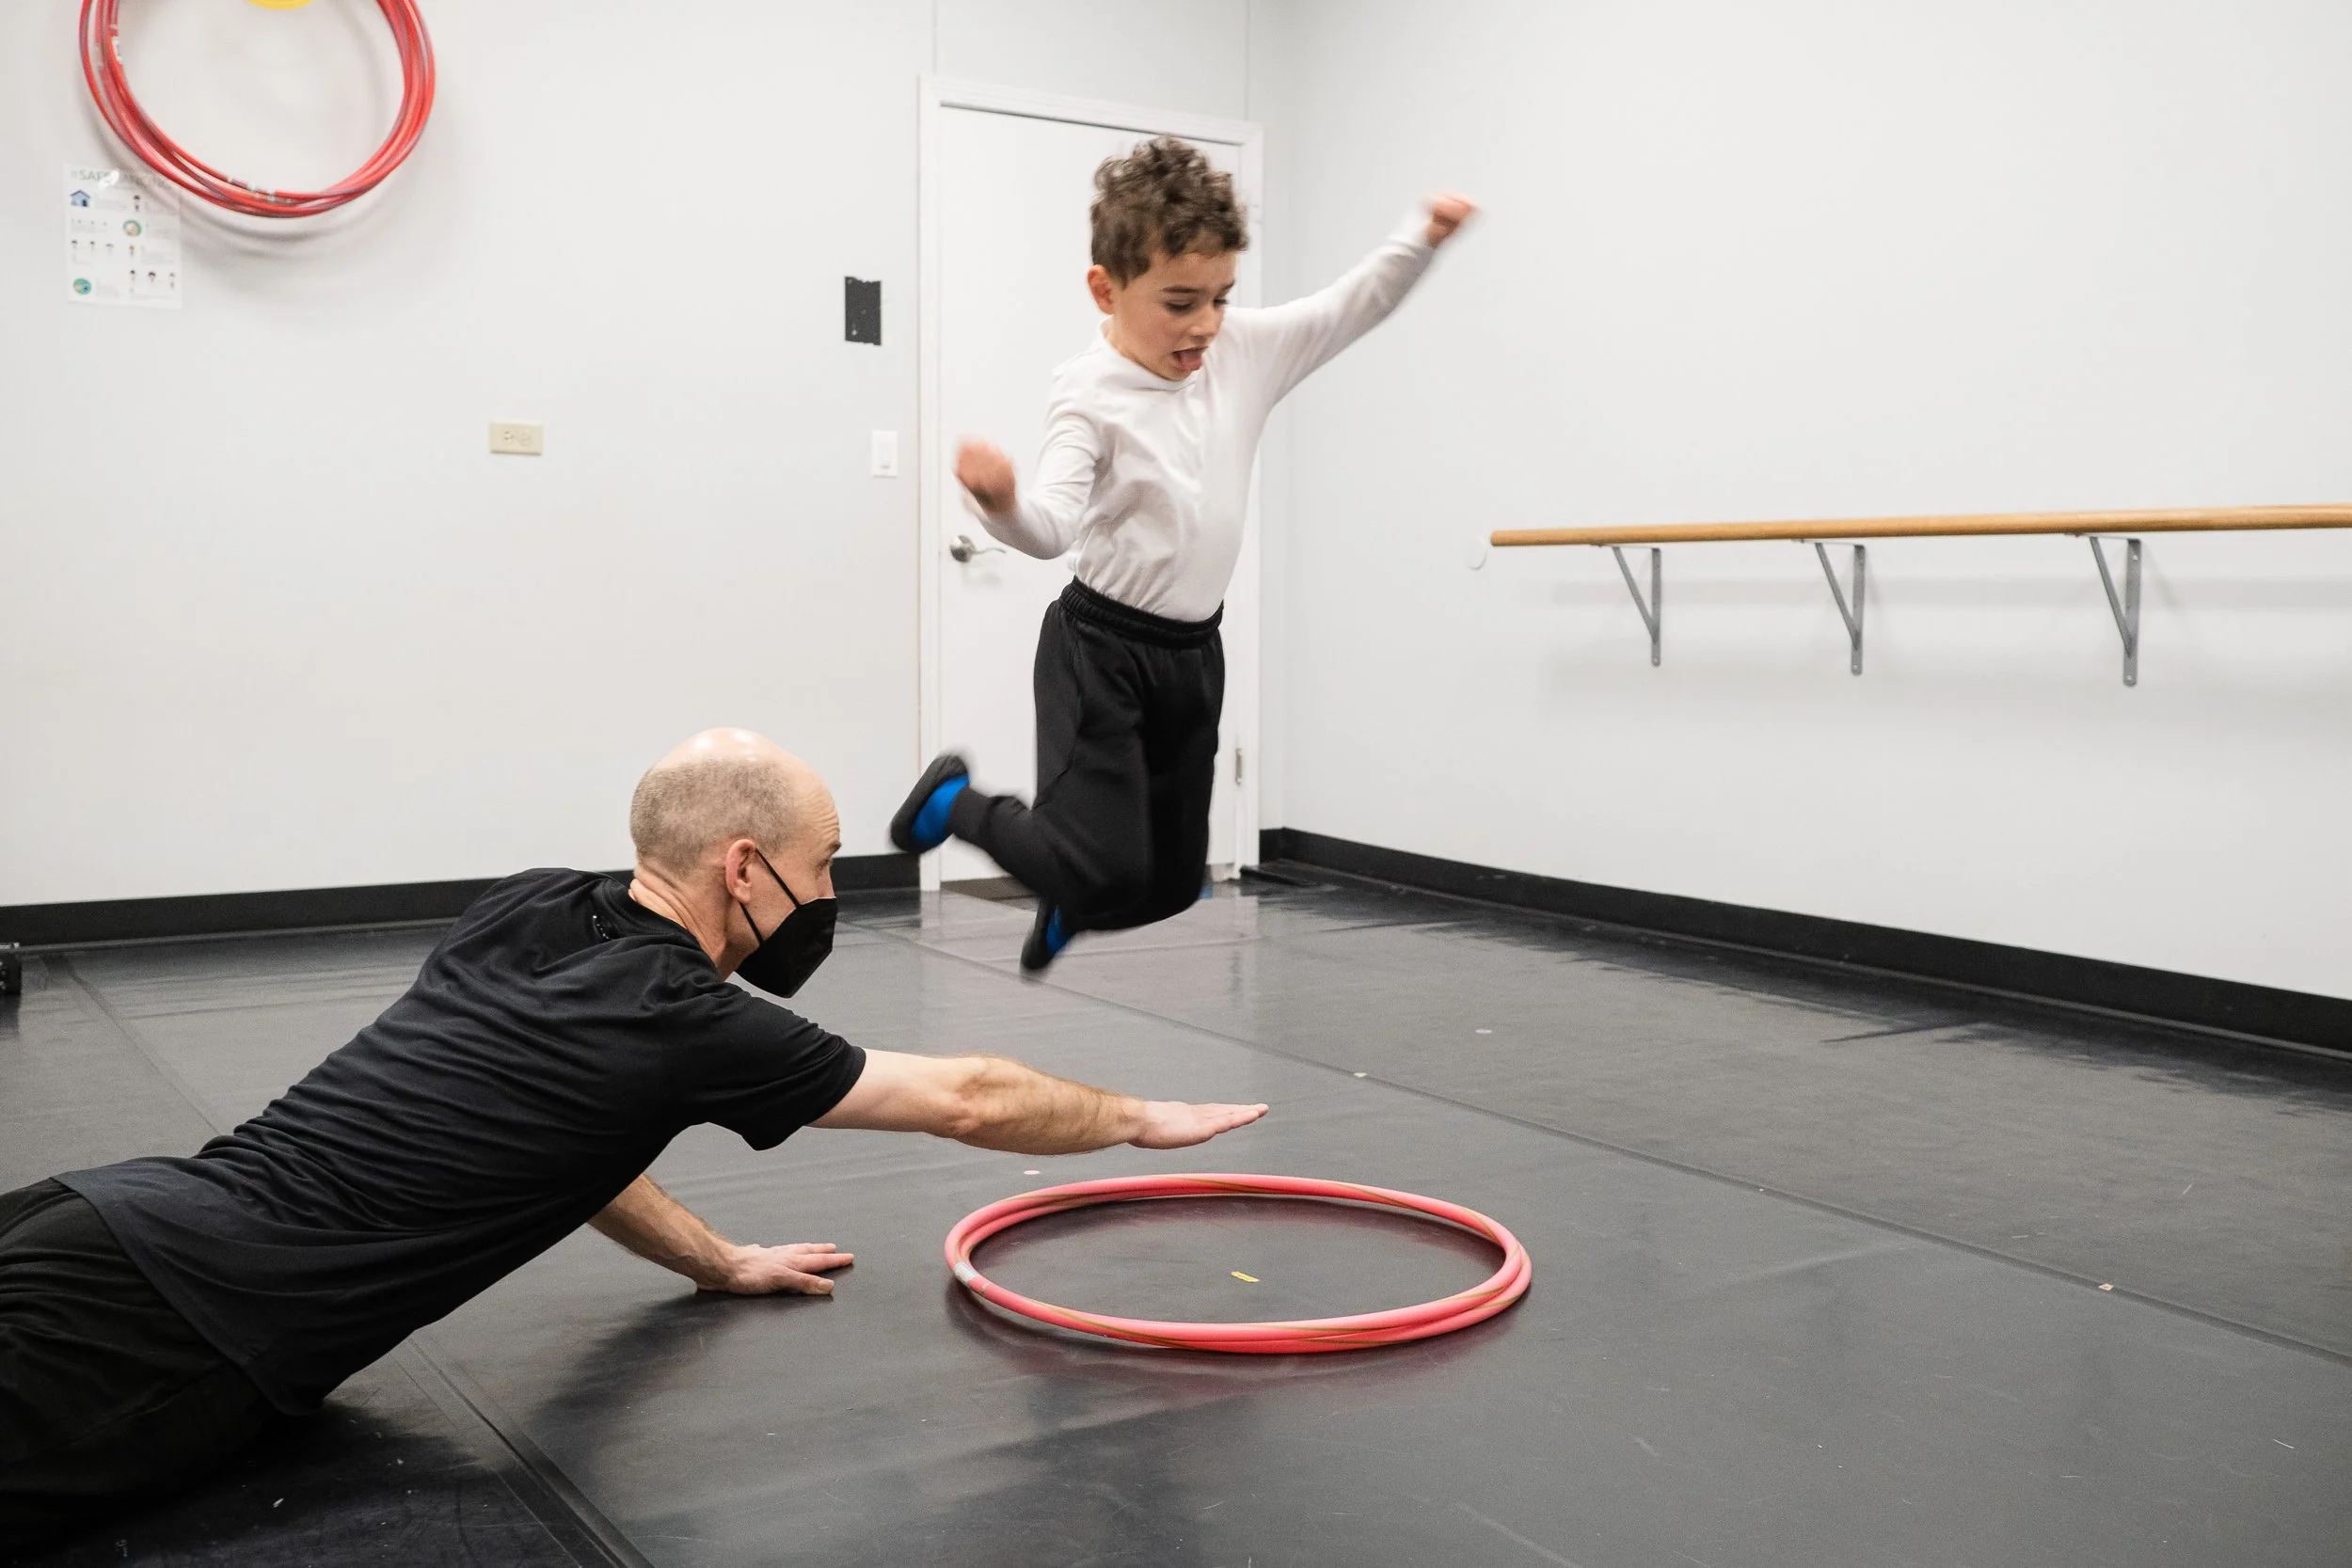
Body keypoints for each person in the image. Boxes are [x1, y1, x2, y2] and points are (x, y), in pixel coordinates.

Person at [0, 728, 1266, 1544]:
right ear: (742, 866)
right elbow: (975, 1095)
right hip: (170, 1327)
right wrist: (1144, 1116)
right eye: (820, 866)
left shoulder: (537, 903)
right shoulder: (686, 1017)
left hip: (110, 1209)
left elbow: (571, 1131)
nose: (829, 896)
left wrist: (714, 1260)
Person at [890, 136, 1476, 971]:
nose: (1204, 323)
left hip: (1193, 654)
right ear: (1107, 287)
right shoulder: (1087, 395)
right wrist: (1000, 504)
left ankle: (1071, 897)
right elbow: (1051, 527)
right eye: (1178, 301)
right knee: (1107, 867)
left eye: (1221, 297)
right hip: (1101, 650)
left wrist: (1421, 238)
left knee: (1171, 884)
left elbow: (1351, 307)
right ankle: (954, 802)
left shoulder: (1242, 351)